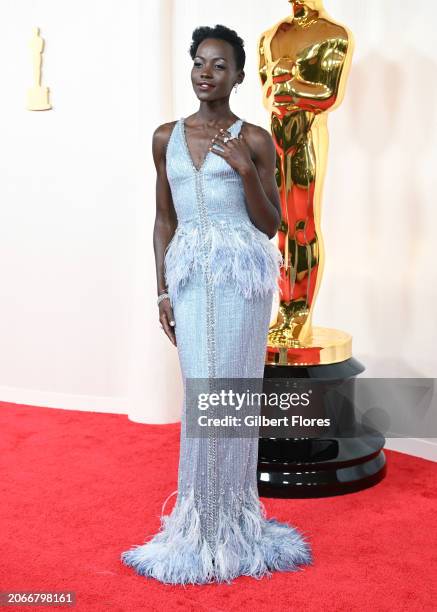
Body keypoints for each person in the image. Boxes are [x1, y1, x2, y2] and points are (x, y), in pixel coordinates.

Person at [121, 24, 312, 585]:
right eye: (200, 63)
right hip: (189, 278)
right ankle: (197, 526)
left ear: (238, 75)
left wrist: (246, 170)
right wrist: (161, 287)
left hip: (241, 280)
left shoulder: (254, 138)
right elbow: (164, 220)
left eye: (220, 65)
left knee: (228, 395)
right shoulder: (165, 137)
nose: (207, 73)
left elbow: (272, 223)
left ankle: (230, 523)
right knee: (201, 391)